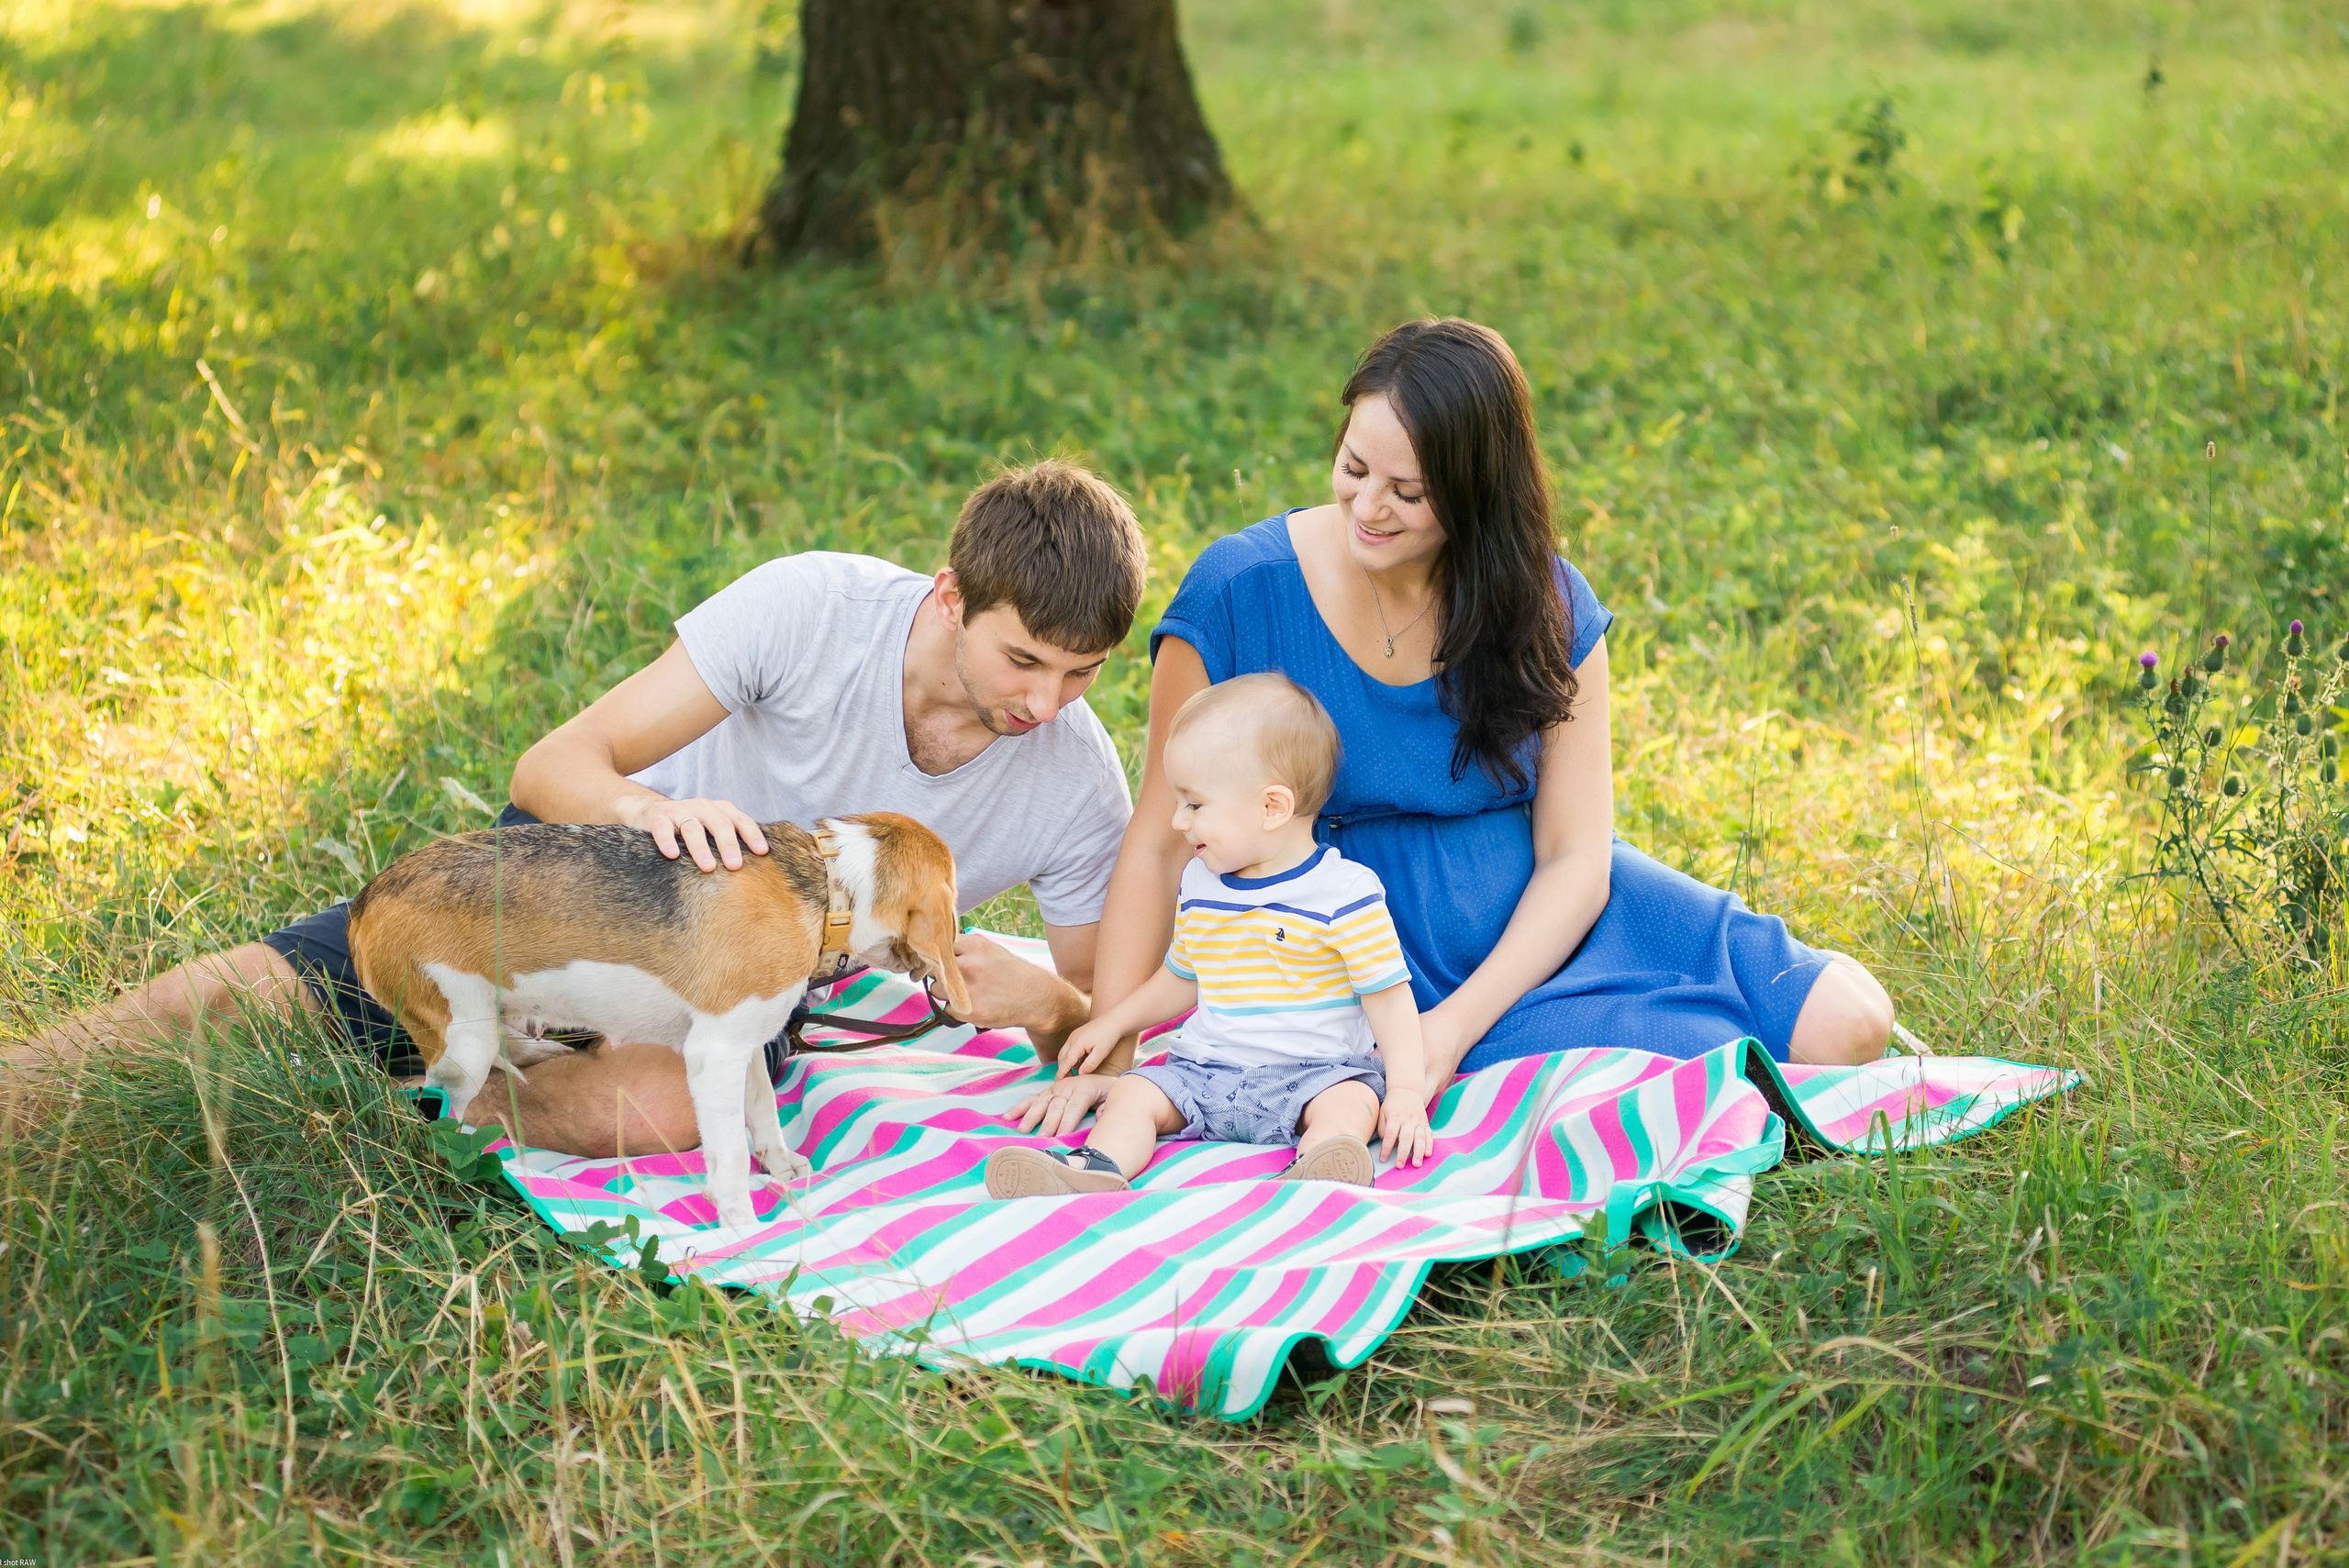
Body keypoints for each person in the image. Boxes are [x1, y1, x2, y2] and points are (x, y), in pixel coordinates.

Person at [6, 461, 1145, 1157]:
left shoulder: (1078, 778)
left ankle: (433, 1100)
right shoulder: (812, 609)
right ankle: (34, 1078)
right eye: (1024, 661)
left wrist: (1048, 998)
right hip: (603, 873)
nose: (1046, 702)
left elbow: (1100, 1021)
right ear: (950, 597)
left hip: (739, 972)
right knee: (281, 982)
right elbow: (557, 763)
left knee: (654, 1113)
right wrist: (652, 811)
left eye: (1082, 673)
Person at [1012, 318, 1895, 1139]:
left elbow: (1576, 858)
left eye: (1410, 492)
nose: (1368, 507)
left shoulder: (1544, 601)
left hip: (1555, 925)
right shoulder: (1239, 591)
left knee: (1852, 1025)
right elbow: (1162, 844)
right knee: (1673, 1087)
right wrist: (1112, 1051)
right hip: (1376, 959)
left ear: (1477, 496)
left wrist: (1452, 1032)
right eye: (1354, 468)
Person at [985, 674, 1432, 1197]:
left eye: (1194, 804)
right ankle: (1095, 1168)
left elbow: (1390, 1001)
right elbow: (1184, 976)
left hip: (1312, 1077)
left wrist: (1404, 1092)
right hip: (1204, 1073)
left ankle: (1320, 1167)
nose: (1177, 821)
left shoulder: (1344, 894)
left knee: (1352, 1102)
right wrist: (1112, 1023)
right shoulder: (1201, 883)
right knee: (1133, 1093)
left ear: (1272, 808)